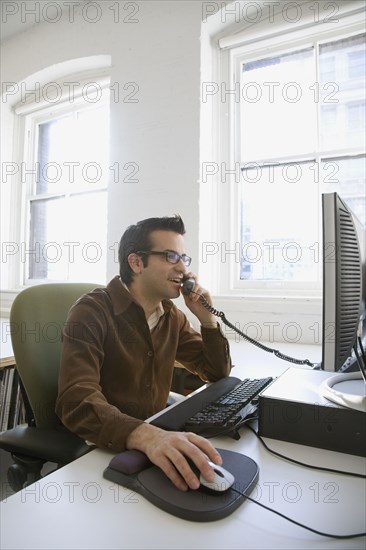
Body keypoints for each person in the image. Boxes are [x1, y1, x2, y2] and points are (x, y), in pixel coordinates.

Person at [56, 215, 232, 491]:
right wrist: (147, 436)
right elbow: (77, 400)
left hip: (152, 439)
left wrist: (207, 320)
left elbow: (215, 372)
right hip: (100, 449)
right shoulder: (91, 312)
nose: (183, 269)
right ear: (136, 262)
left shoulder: (172, 316)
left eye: (184, 258)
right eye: (171, 256)